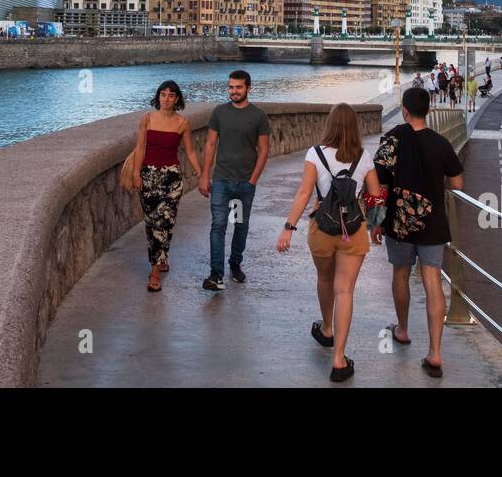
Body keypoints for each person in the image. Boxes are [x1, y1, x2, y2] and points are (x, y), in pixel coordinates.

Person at [276, 103, 382, 382]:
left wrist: (288, 228)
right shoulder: (365, 157)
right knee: (344, 291)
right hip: (354, 229)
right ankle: (338, 359)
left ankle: (326, 328)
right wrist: (376, 226)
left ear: (330, 125)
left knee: (325, 279)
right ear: (355, 127)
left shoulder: (315, 154)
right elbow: (374, 197)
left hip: (321, 229)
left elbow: (303, 193)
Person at [372, 87, 465, 378]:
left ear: (405, 110)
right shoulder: (441, 143)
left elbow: (379, 185)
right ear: (427, 110)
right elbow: (458, 184)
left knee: (400, 274)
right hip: (433, 223)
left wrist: (375, 221)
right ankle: (435, 353)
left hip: (398, 223)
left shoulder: (392, 140)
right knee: (432, 281)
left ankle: (402, 329)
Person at [200, 70, 271, 290]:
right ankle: (216, 275)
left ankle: (235, 263)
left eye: (238, 87)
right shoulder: (219, 113)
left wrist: (252, 180)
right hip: (221, 181)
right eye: (231, 87)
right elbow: (210, 145)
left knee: (240, 226)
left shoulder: (259, 116)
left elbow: (264, 150)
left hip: (244, 184)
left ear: (249, 88)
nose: (234, 91)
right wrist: (205, 175)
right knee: (218, 226)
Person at [130, 80, 202, 292]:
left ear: (177, 99)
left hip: (171, 178)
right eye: (163, 94)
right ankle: (161, 257)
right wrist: (136, 173)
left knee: (166, 222)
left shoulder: (182, 123)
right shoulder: (147, 119)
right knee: (153, 223)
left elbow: (189, 152)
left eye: (171, 95)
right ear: (158, 97)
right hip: (148, 176)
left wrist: (201, 174)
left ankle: (154, 270)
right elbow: (140, 147)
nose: (166, 98)